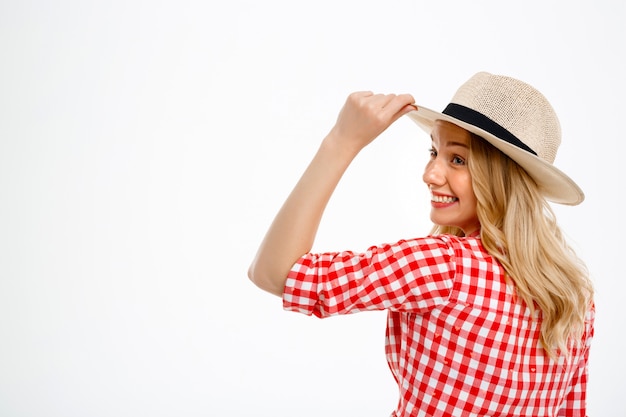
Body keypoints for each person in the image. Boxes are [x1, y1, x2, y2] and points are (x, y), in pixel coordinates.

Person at [247, 72, 595, 417]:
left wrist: (340, 142)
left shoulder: (442, 266)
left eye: (457, 159)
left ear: (502, 177)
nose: (430, 174)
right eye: (434, 151)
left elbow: (274, 273)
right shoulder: (574, 295)